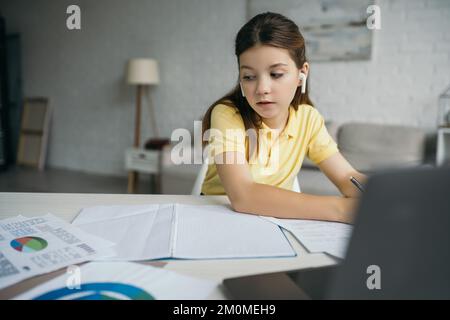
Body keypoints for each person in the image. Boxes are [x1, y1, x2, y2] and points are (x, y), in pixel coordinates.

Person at [200, 12, 366, 224]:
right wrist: (341, 209)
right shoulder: (226, 114)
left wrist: (383, 195)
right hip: (218, 218)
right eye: (249, 77)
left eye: (276, 74)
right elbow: (243, 196)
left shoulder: (308, 118)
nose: (262, 89)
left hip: (275, 219)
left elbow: (345, 176)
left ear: (301, 74)